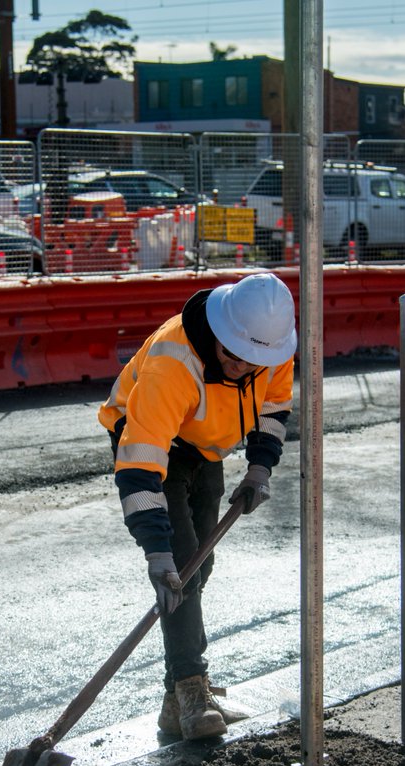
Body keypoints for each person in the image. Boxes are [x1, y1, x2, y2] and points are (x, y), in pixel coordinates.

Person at [98, 272, 297, 740]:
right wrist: (156, 551)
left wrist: (259, 468)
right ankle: (190, 689)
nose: (240, 368)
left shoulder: (272, 349)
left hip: (207, 446)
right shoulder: (174, 363)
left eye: (251, 362)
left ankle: (177, 699)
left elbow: (272, 407)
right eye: (232, 356)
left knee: (198, 569)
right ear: (220, 334)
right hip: (151, 440)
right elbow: (139, 464)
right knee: (180, 566)